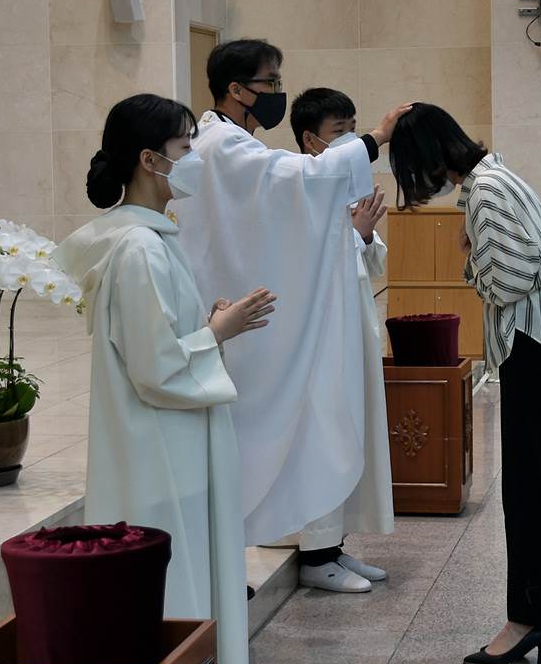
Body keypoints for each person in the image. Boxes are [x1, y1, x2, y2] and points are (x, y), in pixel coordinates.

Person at [55, 94, 278, 664]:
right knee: (172, 603)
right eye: (185, 148)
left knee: (186, 600)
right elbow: (156, 370)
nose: (195, 159)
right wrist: (218, 331)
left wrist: (205, 326)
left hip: (167, 448)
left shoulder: (148, 239)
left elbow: (159, 344)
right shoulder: (136, 250)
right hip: (160, 458)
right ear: (150, 160)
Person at [171, 39, 408, 565]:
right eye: (270, 82)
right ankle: (305, 546)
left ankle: (325, 545)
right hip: (248, 317)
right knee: (290, 425)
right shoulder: (222, 145)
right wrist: (377, 137)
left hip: (268, 309)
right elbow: (305, 178)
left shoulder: (234, 142)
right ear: (236, 89)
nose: (278, 91)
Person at [389, 105, 541, 664]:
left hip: (533, 349)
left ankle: (527, 618)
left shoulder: (486, 192)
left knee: (526, 492)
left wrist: (471, 264)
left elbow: (511, 279)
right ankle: (534, 612)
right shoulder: (495, 176)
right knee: (531, 487)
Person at [282, 87, 396, 593]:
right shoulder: (294, 188)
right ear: (311, 141)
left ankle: (334, 547)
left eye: (354, 128)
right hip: (318, 340)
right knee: (323, 439)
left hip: (352, 332)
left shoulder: (341, 188)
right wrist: (353, 232)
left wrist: (364, 234)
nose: (350, 139)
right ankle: (314, 555)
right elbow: (303, 263)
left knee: (349, 434)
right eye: (340, 132)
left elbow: (371, 261)